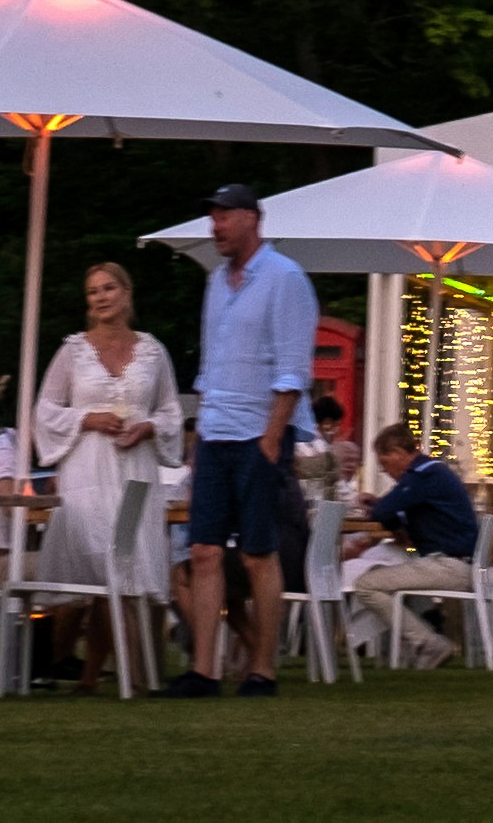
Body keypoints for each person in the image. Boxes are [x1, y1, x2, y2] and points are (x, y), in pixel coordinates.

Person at [175, 179, 317, 695]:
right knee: (205, 552)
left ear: (251, 219)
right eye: (212, 217)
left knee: (258, 553)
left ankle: (263, 669)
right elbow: (210, 363)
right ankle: (205, 669)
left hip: (259, 433)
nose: (216, 226)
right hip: (216, 432)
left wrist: (272, 438)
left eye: (224, 216)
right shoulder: (217, 282)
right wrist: (199, 439)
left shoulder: (284, 278)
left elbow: (293, 367)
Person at [26, 256, 177, 690]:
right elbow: (45, 410)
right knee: (104, 566)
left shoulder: (152, 351)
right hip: (88, 471)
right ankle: (114, 671)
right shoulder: (73, 351)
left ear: (126, 293)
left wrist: (150, 426)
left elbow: (169, 410)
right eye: (93, 292)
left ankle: (103, 673)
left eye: (108, 288)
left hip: (136, 470)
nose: (101, 297)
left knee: (128, 568)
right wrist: (87, 419)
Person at [346, 417, 483, 661]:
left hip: (449, 566)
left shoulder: (423, 475)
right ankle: (418, 644)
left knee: (366, 585)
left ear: (398, 453)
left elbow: (384, 512)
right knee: (394, 572)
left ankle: (428, 643)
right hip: (457, 562)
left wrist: (378, 506)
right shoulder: (434, 473)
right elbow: (392, 510)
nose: (385, 472)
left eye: (384, 464)